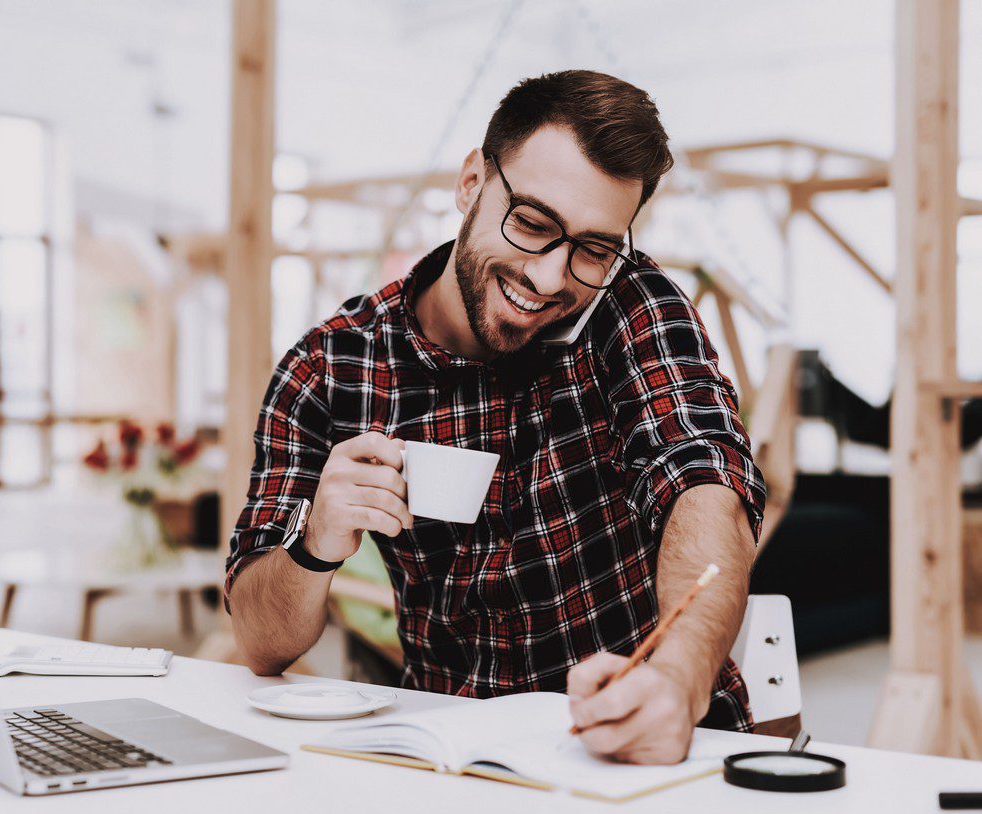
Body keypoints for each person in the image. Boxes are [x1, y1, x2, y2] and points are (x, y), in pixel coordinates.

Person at [224, 70, 766, 765]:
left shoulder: (629, 307)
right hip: (453, 756)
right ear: (471, 182)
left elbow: (706, 479)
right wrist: (317, 540)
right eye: (533, 224)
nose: (549, 279)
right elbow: (260, 641)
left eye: (593, 249)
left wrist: (678, 681)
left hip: (652, 747)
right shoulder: (334, 366)